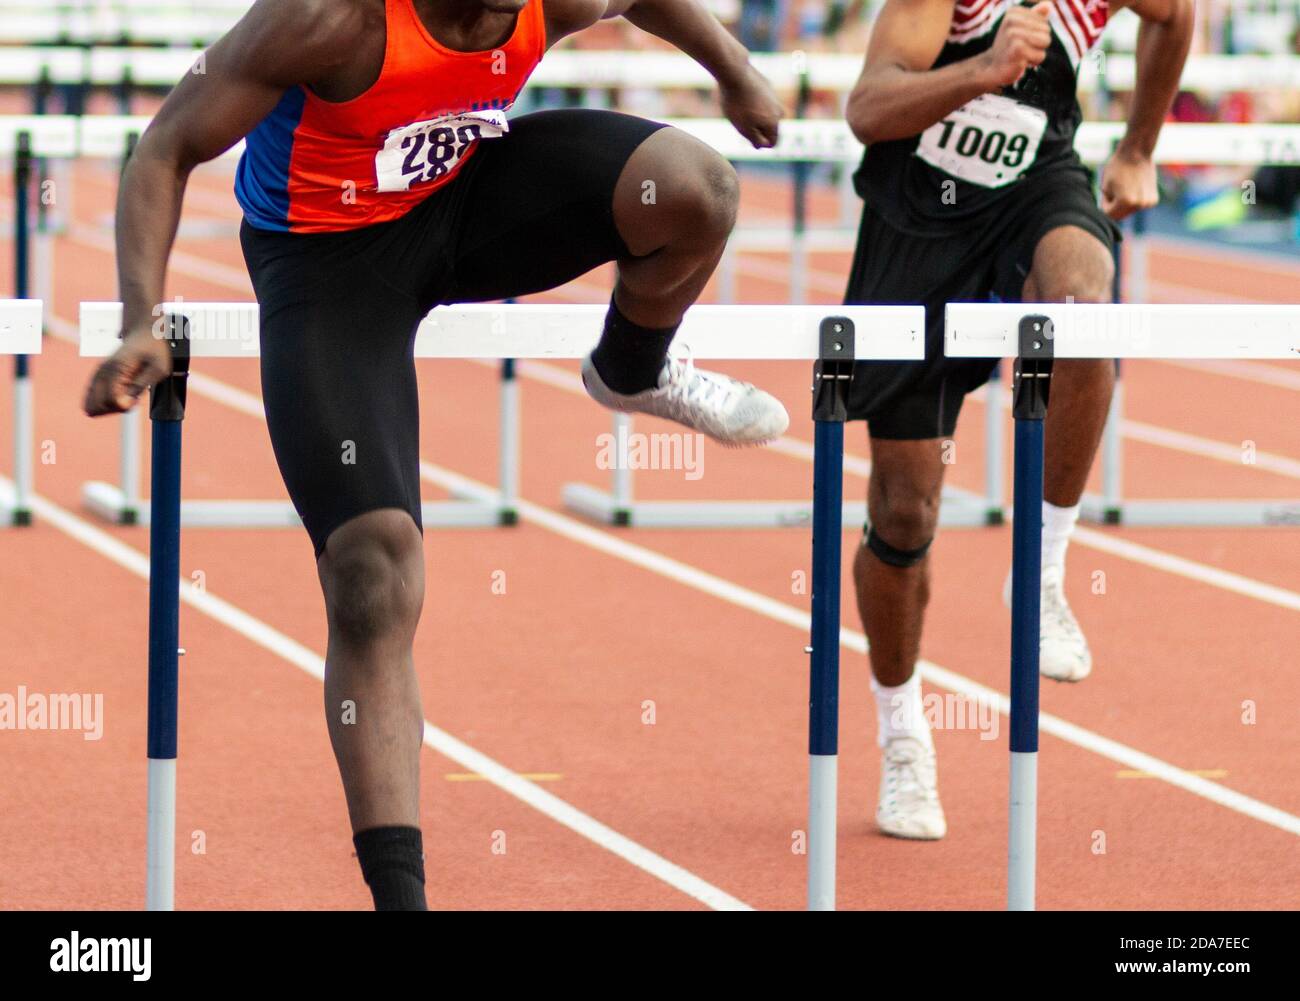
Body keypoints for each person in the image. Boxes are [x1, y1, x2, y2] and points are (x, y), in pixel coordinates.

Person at [83, 0, 789, 909]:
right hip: (328, 259)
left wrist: (734, 69)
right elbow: (165, 147)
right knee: (375, 574)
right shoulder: (328, 22)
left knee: (699, 189)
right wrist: (139, 317)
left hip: (464, 201)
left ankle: (632, 367)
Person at [842, 0, 1192, 839]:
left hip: (1035, 189)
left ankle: (1042, 573)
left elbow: (1176, 15)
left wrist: (1139, 146)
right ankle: (901, 733)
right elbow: (867, 109)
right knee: (904, 509)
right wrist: (983, 69)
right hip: (915, 226)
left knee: (1080, 299)